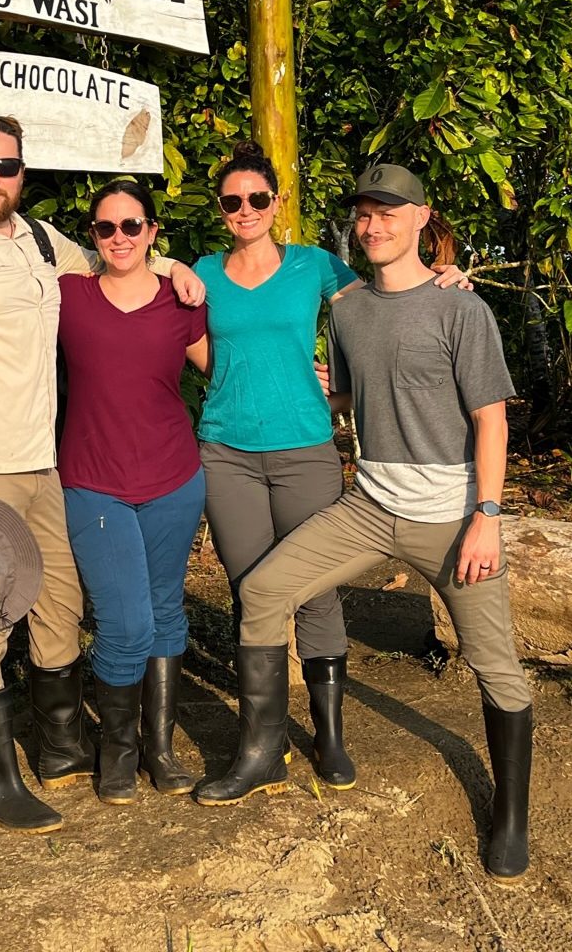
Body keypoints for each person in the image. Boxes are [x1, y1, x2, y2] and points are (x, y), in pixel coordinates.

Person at [196, 162, 534, 882]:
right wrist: (315, 392)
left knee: (496, 667)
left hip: (452, 518)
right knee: (262, 592)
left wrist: (488, 516)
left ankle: (510, 814)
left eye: (390, 213)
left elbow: (491, 420)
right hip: (371, 507)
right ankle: (263, 753)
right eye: (365, 214)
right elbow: (354, 395)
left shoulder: (461, 309)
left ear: (422, 218)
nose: (374, 226)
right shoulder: (348, 310)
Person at [0, 116, 205, 833]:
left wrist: (173, 266)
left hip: (45, 462)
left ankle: (60, 750)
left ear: (22, 172)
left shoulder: (40, 240)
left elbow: (114, 259)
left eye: (4, 165)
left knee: (57, 606)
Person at [189, 138, 364, 794]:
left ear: (277, 201)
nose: (245, 210)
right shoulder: (202, 273)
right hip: (226, 453)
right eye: (232, 201)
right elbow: (186, 337)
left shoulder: (315, 265)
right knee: (251, 592)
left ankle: (329, 736)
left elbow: (378, 316)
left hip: (305, 450)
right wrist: (235, 377)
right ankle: (263, 749)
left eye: (257, 198)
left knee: (315, 588)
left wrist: (342, 391)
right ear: (220, 208)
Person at [56, 179, 209, 804]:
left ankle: (159, 747)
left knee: (166, 611)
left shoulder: (182, 301)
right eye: (105, 227)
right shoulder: (68, 296)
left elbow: (228, 369)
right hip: (94, 483)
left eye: (131, 225)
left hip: (174, 478)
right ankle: (116, 750)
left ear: (151, 231)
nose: (119, 237)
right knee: (124, 621)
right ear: (93, 236)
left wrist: (318, 380)